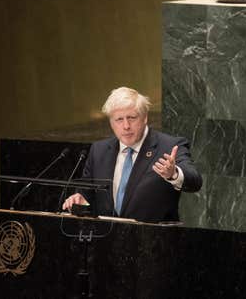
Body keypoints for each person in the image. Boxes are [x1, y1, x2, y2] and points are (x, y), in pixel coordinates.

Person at [62, 87, 202, 223]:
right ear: (111, 122)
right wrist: (79, 199)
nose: (126, 126)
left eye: (132, 118)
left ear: (145, 117)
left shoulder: (169, 146)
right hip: (106, 240)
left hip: (155, 241)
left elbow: (195, 181)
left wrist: (174, 174)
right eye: (119, 119)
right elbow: (87, 192)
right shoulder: (99, 150)